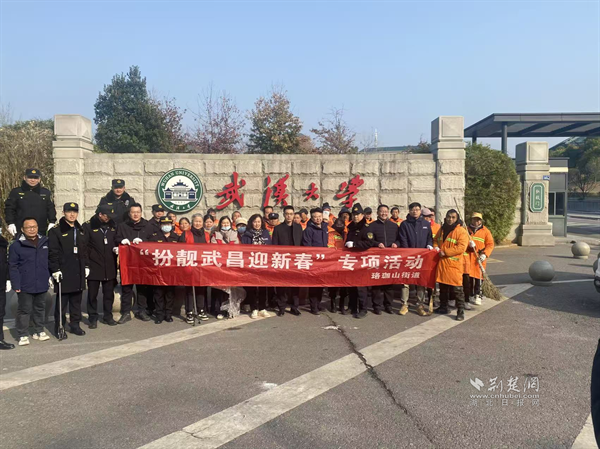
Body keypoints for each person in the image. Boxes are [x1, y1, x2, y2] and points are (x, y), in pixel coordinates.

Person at [8, 218, 51, 346]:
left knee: (40, 308)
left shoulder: (45, 242)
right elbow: (13, 266)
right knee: (24, 310)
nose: (32, 229)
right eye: (28, 227)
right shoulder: (16, 245)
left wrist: (50, 276)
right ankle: (22, 334)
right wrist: (15, 284)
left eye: (34, 226)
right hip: (25, 283)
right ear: (22, 229)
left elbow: (50, 261)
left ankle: (39, 330)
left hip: (41, 282)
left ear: (38, 227)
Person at [49, 203, 89, 337]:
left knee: (76, 301)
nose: (72, 214)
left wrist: (87, 265)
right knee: (62, 302)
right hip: (64, 271)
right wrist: (55, 269)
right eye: (69, 211)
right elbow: (53, 252)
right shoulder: (56, 230)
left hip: (78, 270)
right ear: (63, 213)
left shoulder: (80, 229)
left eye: (74, 212)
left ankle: (75, 325)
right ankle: (59, 327)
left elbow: (84, 250)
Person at [355, 204, 399, 315]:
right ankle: (377, 306)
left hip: (390, 259)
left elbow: (399, 239)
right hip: (377, 259)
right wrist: (377, 243)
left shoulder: (394, 226)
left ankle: (388, 305)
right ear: (378, 213)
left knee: (389, 283)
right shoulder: (371, 226)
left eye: (386, 211)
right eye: (381, 211)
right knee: (377, 284)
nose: (384, 213)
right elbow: (369, 240)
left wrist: (396, 244)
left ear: (388, 213)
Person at [82, 204, 119, 328]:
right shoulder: (88, 226)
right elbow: (84, 247)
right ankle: (93, 318)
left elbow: (117, 239)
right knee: (92, 294)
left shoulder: (113, 225)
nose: (108, 218)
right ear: (100, 214)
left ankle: (108, 316)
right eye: (106, 216)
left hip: (109, 265)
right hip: (94, 265)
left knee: (109, 294)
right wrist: (86, 265)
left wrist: (118, 247)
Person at [115, 203, 152, 323]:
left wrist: (143, 241)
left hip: (143, 262)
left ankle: (142, 311)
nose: (136, 214)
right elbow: (116, 238)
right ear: (129, 213)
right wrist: (121, 241)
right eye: (133, 212)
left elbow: (153, 241)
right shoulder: (122, 226)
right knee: (126, 287)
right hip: (127, 262)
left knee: (142, 288)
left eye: (138, 212)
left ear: (141, 213)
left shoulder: (147, 225)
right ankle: (126, 312)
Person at [398, 202, 433, 317]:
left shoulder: (426, 224)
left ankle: (420, 304)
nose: (415, 211)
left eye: (417, 209)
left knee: (421, 281)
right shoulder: (404, 224)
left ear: (420, 211)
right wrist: (408, 253)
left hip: (422, 258)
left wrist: (429, 245)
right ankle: (404, 304)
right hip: (408, 258)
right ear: (409, 211)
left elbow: (429, 238)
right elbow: (403, 239)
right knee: (405, 281)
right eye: (412, 209)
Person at [434, 209, 469, 321]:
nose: (450, 219)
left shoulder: (461, 231)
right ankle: (443, 306)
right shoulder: (442, 229)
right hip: (442, 264)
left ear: (457, 218)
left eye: (453, 217)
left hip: (453, 265)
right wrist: (435, 247)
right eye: (449, 217)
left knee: (457, 289)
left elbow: (461, 247)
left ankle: (460, 311)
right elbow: (436, 240)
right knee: (443, 287)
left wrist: (446, 252)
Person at [5, 168, 57, 237]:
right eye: (30, 177)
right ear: (24, 178)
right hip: (21, 229)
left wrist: (52, 222)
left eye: (36, 178)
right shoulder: (16, 192)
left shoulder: (45, 192)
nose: (33, 180)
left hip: (41, 229)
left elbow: (50, 208)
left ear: (39, 179)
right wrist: (10, 223)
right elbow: (9, 208)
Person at [272, 205, 303, 316]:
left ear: (294, 215)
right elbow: (274, 246)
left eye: (291, 214)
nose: (289, 216)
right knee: (282, 285)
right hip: (283, 259)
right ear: (284, 215)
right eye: (287, 214)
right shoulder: (278, 228)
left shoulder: (298, 227)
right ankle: (281, 307)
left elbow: (302, 243)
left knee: (295, 285)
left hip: (295, 260)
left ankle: (294, 307)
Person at [179, 214, 209, 323]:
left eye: (200, 221)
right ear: (192, 222)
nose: (198, 223)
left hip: (202, 265)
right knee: (189, 290)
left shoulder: (207, 235)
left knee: (201, 288)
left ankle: (201, 310)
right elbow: (180, 249)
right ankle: (189, 312)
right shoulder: (186, 234)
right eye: (196, 221)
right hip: (189, 265)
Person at [241, 214, 272, 319]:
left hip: (263, 263)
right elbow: (243, 250)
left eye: (259, 222)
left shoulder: (266, 233)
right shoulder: (246, 235)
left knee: (263, 287)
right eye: (255, 222)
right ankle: (254, 308)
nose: (257, 224)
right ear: (251, 223)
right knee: (252, 287)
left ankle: (262, 308)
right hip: (251, 264)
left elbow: (270, 247)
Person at [211, 216, 240, 319]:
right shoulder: (215, 235)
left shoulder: (235, 235)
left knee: (231, 289)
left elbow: (237, 249)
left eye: (227, 223)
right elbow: (214, 249)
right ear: (220, 224)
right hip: (219, 265)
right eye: (223, 223)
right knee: (219, 289)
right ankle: (218, 310)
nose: (225, 225)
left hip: (231, 265)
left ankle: (230, 309)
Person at [301, 207, 328, 315]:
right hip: (314, 261)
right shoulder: (308, 230)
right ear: (311, 218)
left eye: (319, 216)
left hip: (324, 261)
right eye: (315, 217)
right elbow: (307, 246)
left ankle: (318, 303)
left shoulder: (325, 228)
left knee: (321, 284)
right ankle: (313, 307)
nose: (318, 219)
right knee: (313, 284)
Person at [345, 203, 369, 318]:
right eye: (354, 214)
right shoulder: (350, 227)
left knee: (361, 286)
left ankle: (363, 309)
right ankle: (352, 306)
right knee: (351, 285)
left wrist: (355, 244)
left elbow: (369, 243)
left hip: (361, 260)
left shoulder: (366, 227)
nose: (355, 217)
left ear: (362, 215)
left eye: (358, 214)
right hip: (351, 260)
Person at [465, 212, 494, 306]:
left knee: (479, 277)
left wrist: (485, 254)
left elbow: (490, 244)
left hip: (479, 258)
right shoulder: (466, 229)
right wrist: (468, 245)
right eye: (474, 219)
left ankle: (478, 295)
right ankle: (470, 294)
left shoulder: (486, 231)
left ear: (481, 221)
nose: (476, 221)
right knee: (468, 278)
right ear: (471, 219)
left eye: (478, 219)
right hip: (468, 257)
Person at [327, 216, 348, 314]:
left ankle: (342, 305)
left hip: (346, 262)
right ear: (334, 225)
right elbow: (330, 247)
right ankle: (333, 304)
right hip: (334, 263)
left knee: (344, 286)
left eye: (341, 224)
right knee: (333, 286)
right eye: (337, 224)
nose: (339, 226)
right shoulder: (331, 234)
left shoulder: (347, 233)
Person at [0, 225, 12, 349]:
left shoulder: (2, 243)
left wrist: (7, 278)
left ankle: (0, 339)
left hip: (1, 282)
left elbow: (5, 263)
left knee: (0, 312)